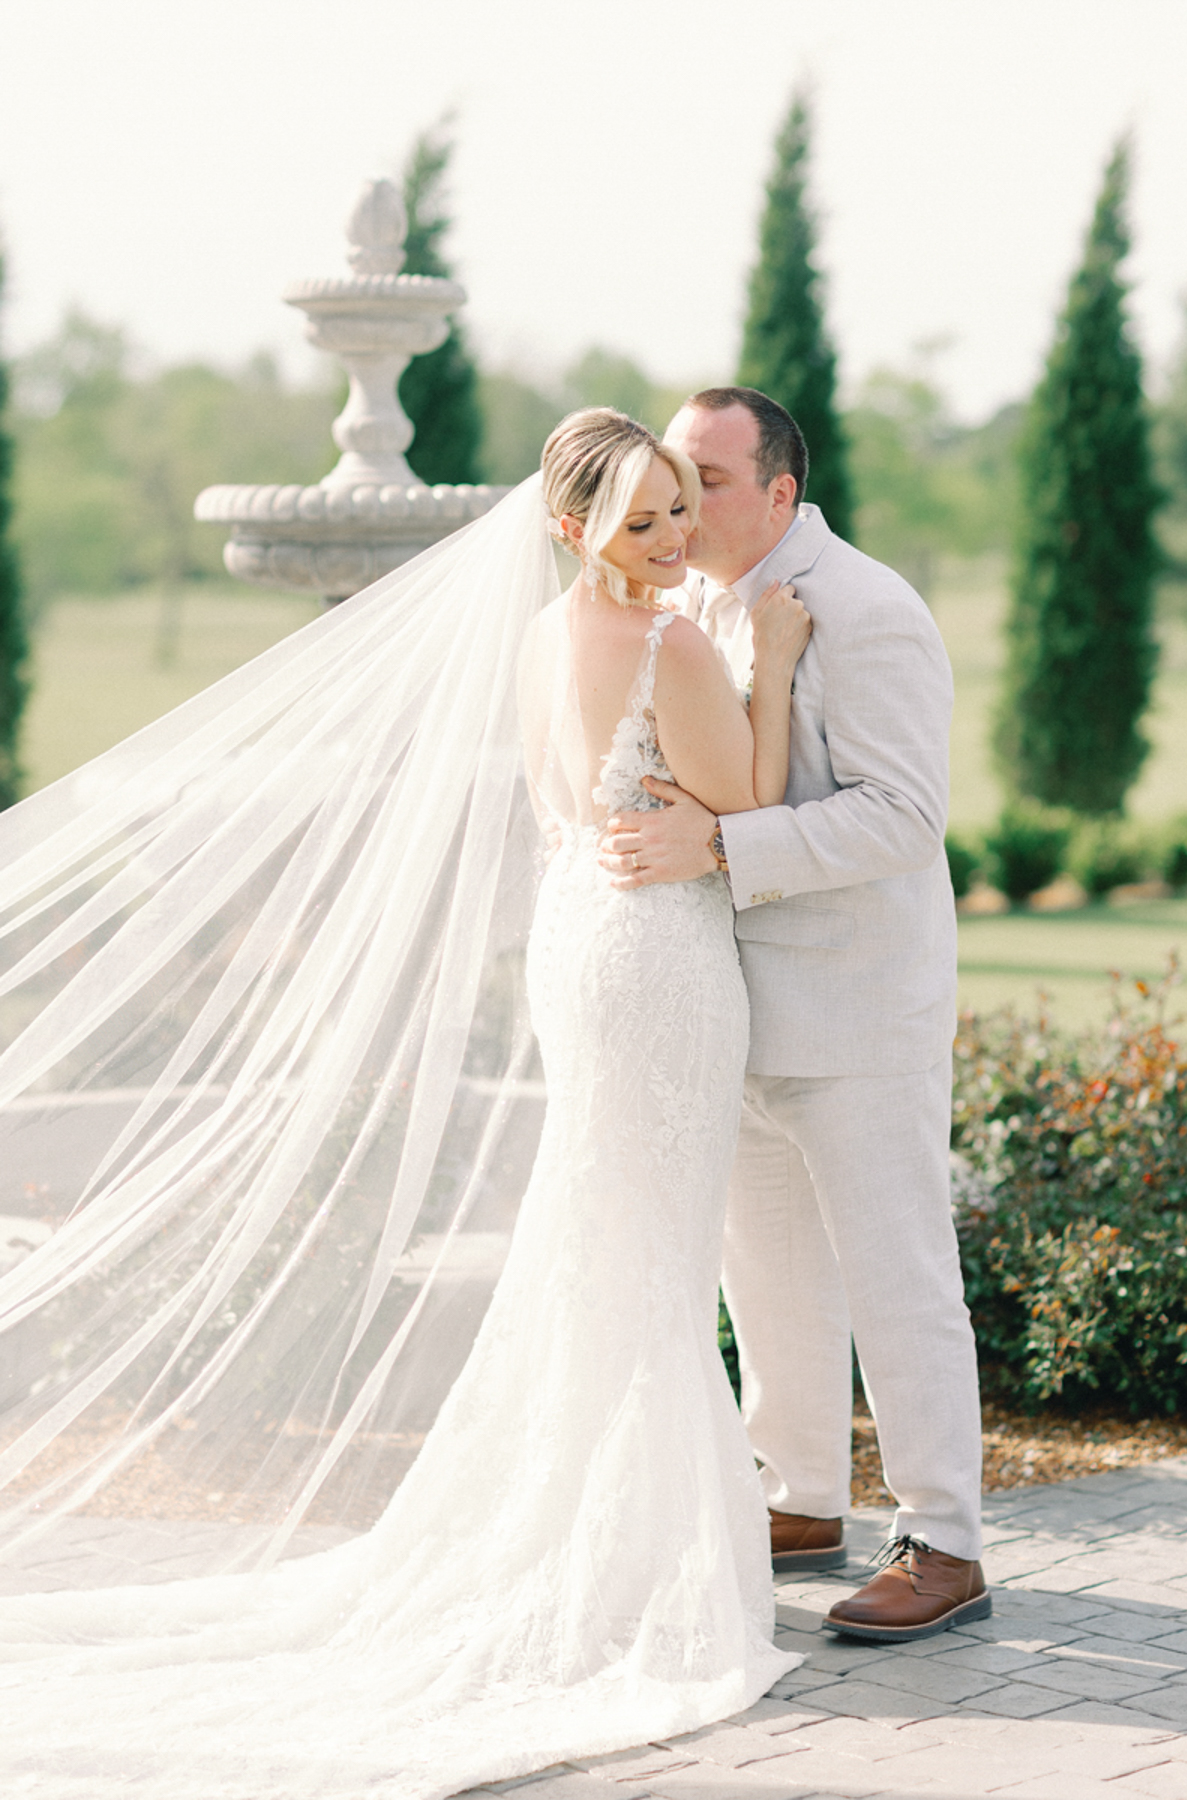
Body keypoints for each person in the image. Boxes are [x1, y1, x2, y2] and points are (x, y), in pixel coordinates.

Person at [0, 411, 814, 1798]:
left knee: (601, 1243)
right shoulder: (678, 642)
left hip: (577, 940)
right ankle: (629, 1563)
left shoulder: (543, 636)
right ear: (575, 530)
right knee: (657, 1258)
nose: (676, 540)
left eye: (683, 509)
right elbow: (746, 794)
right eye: (644, 522)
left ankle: (589, 1537)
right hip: (658, 959)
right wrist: (772, 667)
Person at [601, 386, 990, 1643]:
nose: (685, 501)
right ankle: (803, 1497)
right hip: (729, 1007)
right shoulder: (690, 609)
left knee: (897, 1277)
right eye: (677, 476)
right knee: (763, 1274)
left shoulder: (870, 609)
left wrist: (718, 843)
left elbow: (899, 816)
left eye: (711, 479)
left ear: (780, 490)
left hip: (861, 1005)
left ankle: (944, 1541)